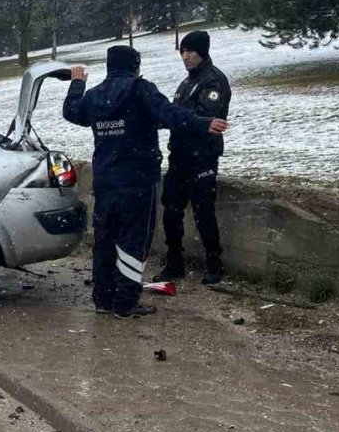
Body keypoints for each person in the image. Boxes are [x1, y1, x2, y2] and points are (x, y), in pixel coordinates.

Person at [63, 46, 227, 318]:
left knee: (104, 240)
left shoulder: (95, 96)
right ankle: (125, 304)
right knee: (133, 241)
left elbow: (71, 111)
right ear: (134, 66)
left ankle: (103, 299)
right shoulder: (140, 90)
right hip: (137, 181)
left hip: (105, 181)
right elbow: (170, 114)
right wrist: (202, 123)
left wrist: (77, 83)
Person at [155, 30, 232, 285]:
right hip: (179, 156)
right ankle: (174, 261)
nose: (185, 57)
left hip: (202, 157)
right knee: (171, 211)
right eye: (183, 52)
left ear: (202, 52)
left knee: (203, 212)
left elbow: (205, 117)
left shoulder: (214, 81)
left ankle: (214, 263)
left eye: (190, 52)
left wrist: (178, 118)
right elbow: (178, 114)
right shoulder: (187, 82)